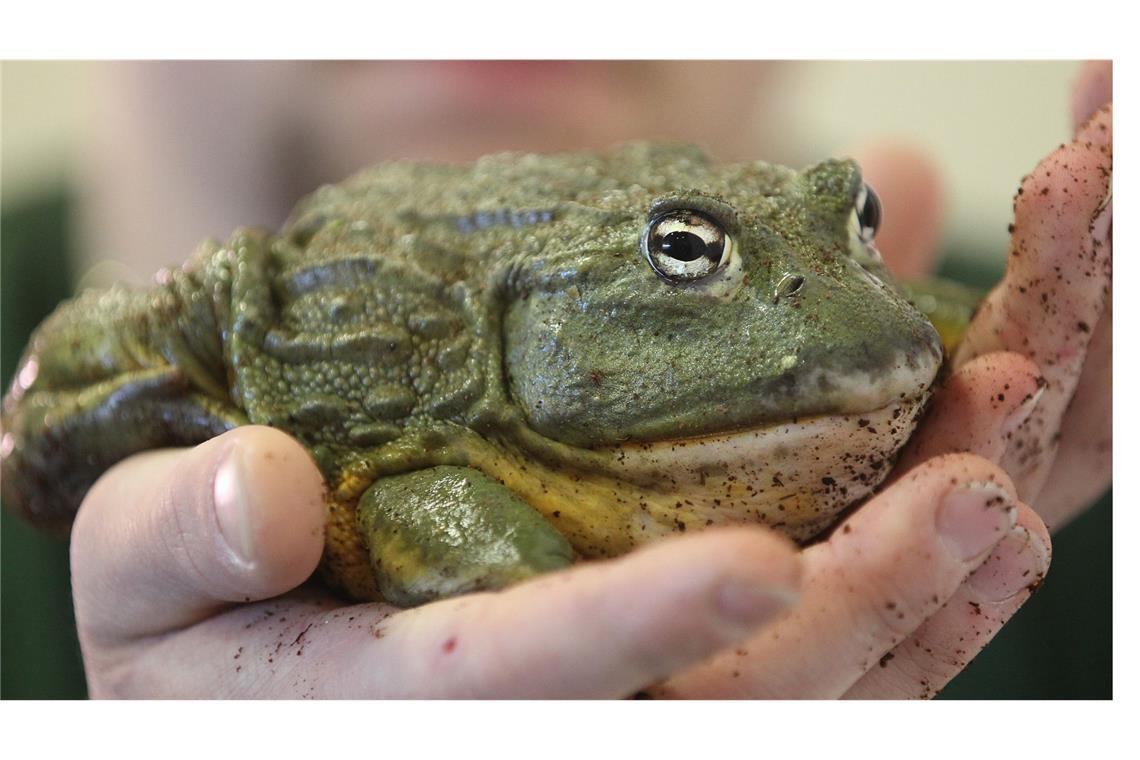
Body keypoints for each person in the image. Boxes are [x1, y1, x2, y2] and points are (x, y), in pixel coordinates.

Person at [62, 61, 1111, 697]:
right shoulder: (467, 451)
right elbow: (419, 499)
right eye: (693, 253)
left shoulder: (1088, 356)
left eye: (860, 229)